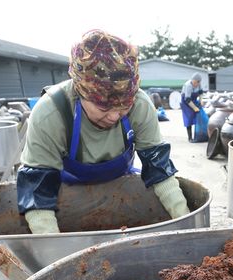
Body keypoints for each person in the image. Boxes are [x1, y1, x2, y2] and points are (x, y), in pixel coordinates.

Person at [16, 29, 190, 234]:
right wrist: (54, 251)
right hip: (64, 199)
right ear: (80, 91)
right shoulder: (51, 112)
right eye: (104, 108)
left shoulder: (141, 105)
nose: (115, 116)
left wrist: (187, 225)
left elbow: (160, 171)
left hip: (120, 193)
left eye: (124, 106)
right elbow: (38, 195)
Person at [180, 73, 204, 142]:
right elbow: (187, 99)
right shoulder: (188, 85)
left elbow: (200, 93)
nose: (194, 84)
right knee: (189, 118)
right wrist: (194, 108)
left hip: (193, 100)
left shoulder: (199, 84)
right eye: (193, 82)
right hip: (186, 102)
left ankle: (199, 135)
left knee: (199, 115)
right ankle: (190, 137)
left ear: (198, 82)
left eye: (195, 83)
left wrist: (200, 101)